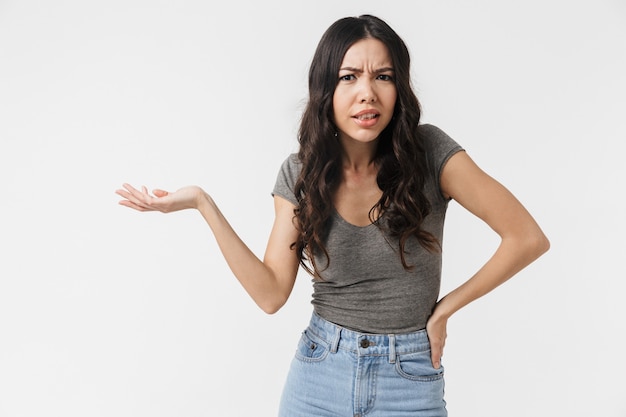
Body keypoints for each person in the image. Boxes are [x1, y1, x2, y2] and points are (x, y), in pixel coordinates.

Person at [116, 14, 549, 417]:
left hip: (410, 378)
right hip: (320, 371)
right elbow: (270, 294)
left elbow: (526, 237)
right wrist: (202, 204)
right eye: (349, 77)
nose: (368, 92)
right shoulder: (301, 173)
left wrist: (446, 309)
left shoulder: (430, 153)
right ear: (326, 89)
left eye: (384, 76)